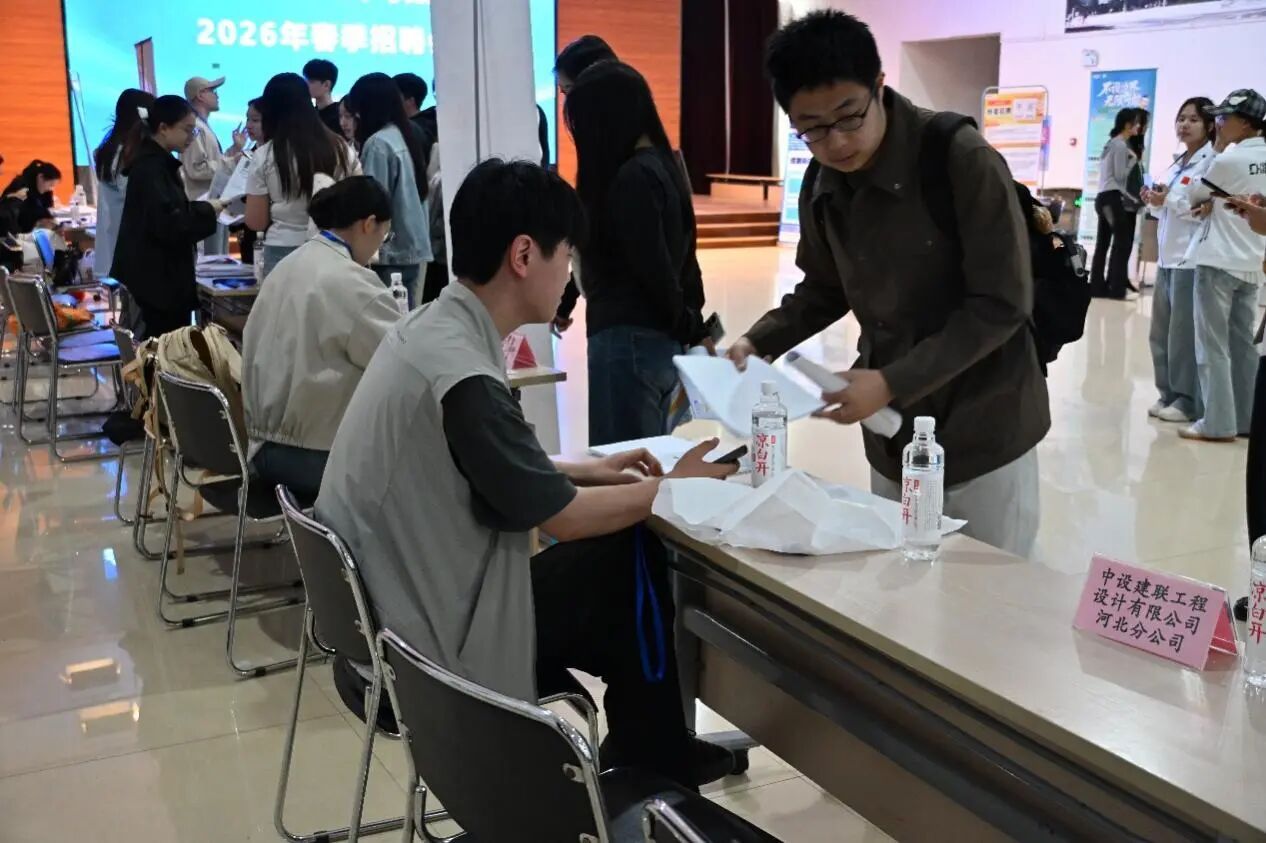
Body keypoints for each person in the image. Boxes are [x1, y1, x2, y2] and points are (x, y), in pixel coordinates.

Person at [317, 158, 740, 788]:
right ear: (523, 255)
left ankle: (652, 745)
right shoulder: (463, 373)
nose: (569, 274)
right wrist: (673, 489)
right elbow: (563, 518)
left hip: (387, 620)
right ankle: (653, 756)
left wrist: (595, 468)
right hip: (434, 641)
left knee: (620, 560)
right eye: (565, 255)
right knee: (630, 554)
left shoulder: (430, 329)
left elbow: (488, 462)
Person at [727, 11, 1048, 557]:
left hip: (984, 425)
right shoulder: (823, 181)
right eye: (812, 128)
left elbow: (1001, 303)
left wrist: (890, 381)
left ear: (879, 86)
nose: (836, 142)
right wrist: (758, 340)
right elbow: (823, 288)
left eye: (849, 116)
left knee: (987, 591)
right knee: (902, 582)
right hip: (891, 432)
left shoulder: (958, 157)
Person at [564, 61, 710, 446]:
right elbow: (682, 262)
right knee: (650, 461)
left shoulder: (631, 178)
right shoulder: (664, 164)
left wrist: (689, 325)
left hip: (627, 343)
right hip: (657, 342)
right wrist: (692, 325)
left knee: (626, 466)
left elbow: (653, 270)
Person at [243, 177, 398, 499]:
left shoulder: (287, 265)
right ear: (369, 224)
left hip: (260, 449)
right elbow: (401, 363)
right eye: (385, 235)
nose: (380, 246)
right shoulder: (353, 283)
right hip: (314, 456)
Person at [1181, 89, 1266, 443]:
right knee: (1244, 345)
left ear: (1244, 123)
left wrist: (1215, 152)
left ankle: (1216, 423)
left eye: (1223, 117)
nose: (1217, 123)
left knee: (1213, 346)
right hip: (1252, 261)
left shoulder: (1228, 160)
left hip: (1218, 260)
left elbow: (1193, 194)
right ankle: (1246, 419)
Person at [111, 95, 228, 339]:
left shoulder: (156, 163)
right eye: (187, 130)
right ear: (163, 128)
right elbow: (170, 223)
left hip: (158, 276)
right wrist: (208, 210)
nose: (191, 137)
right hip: (155, 281)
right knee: (162, 348)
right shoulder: (151, 168)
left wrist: (203, 209)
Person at [1141, 97, 1217, 425]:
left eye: (1193, 119)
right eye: (1181, 118)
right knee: (1160, 333)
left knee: (1182, 336)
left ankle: (1187, 400)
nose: (1184, 125)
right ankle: (1167, 393)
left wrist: (1168, 199)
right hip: (1167, 258)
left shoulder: (1211, 162)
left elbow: (1200, 210)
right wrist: (1154, 201)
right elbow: (1167, 209)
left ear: (1210, 125)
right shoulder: (1176, 164)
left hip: (1190, 259)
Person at [245, 73, 358, 278]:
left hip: (282, 250)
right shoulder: (341, 148)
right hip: (333, 248)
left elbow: (256, 221)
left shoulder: (265, 155)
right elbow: (357, 200)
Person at [344, 73, 432, 305]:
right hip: (410, 248)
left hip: (388, 254)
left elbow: (373, 203)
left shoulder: (378, 144)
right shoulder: (403, 135)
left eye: (356, 111)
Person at [552, 34, 619, 333]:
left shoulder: (628, 165)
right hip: (609, 313)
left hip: (624, 322)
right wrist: (566, 300)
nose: (567, 105)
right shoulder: (599, 152)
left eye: (569, 91)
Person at [182, 75, 245, 255]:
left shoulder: (202, 126)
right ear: (200, 95)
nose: (217, 95)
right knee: (209, 260)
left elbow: (213, 162)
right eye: (212, 90)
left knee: (217, 257)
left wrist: (234, 150)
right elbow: (196, 168)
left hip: (213, 206)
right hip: (203, 206)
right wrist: (232, 161)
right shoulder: (195, 127)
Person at [1089, 108, 1143, 300]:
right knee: (1122, 243)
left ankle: (1097, 287)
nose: (1138, 126)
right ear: (1127, 124)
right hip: (1112, 198)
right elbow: (1120, 177)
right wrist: (1132, 161)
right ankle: (1117, 290)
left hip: (1102, 197)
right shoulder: (1120, 145)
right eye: (1136, 123)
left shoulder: (1110, 143)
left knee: (1103, 244)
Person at [1, 160, 60, 234]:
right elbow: (27, 214)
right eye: (51, 185)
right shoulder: (21, 188)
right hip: (16, 231)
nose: (51, 189)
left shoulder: (44, 190)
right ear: (40, 177)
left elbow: (47, 209)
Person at [304, 59, 342, 136]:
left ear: (326, 85)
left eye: (311, 81)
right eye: (305, 81)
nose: (306, 85)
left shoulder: (339, 115)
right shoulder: (309, 114)